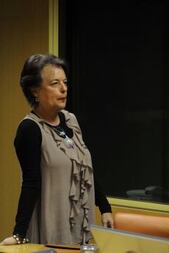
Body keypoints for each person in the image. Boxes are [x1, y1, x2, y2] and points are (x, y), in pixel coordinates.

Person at [0, 54, 113, 246]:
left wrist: (104, 207)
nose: (64, 89)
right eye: (55, 83)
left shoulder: (71, 120)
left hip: (80, 223)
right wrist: (19, 233)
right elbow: (30, 183)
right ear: (35, 91)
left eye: (65, 82)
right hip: (52, 224)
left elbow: (84, 167)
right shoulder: (30, 129)